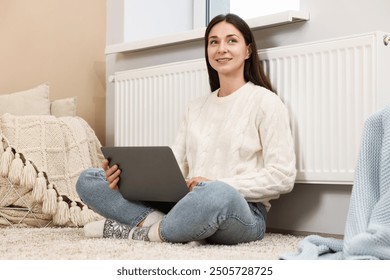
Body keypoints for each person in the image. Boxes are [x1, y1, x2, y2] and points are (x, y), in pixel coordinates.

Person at [76, 13, 296, 244]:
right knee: (89, 179)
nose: (222, 48)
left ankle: (144, 231)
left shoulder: (266, 102)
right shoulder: (195, 108)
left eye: (231, 40)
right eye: (214, 42)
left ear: (248, 51)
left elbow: (283, 176)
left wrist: (215, 184)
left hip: (241, 210)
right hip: (185, 202)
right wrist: (126, 179)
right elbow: (176, 169)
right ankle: (165, 226)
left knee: (217, 194)